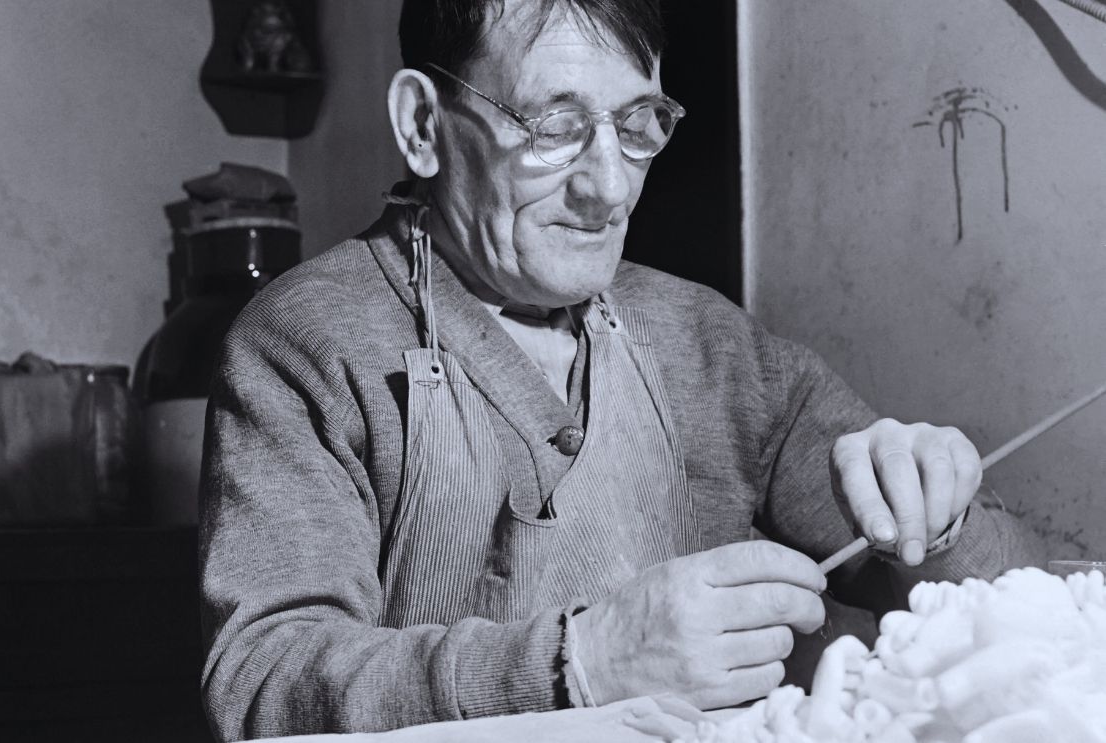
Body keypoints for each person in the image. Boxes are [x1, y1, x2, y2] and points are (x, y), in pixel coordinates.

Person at [198, 0, 1042, 739]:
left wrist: (940, 517)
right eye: (553, 127)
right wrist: (584, 658)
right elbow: (261, 686)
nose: (608, 188)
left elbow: (1019, 599)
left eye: (637, 125)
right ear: (423, 125)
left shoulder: (709, 343)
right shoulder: (308, 340)